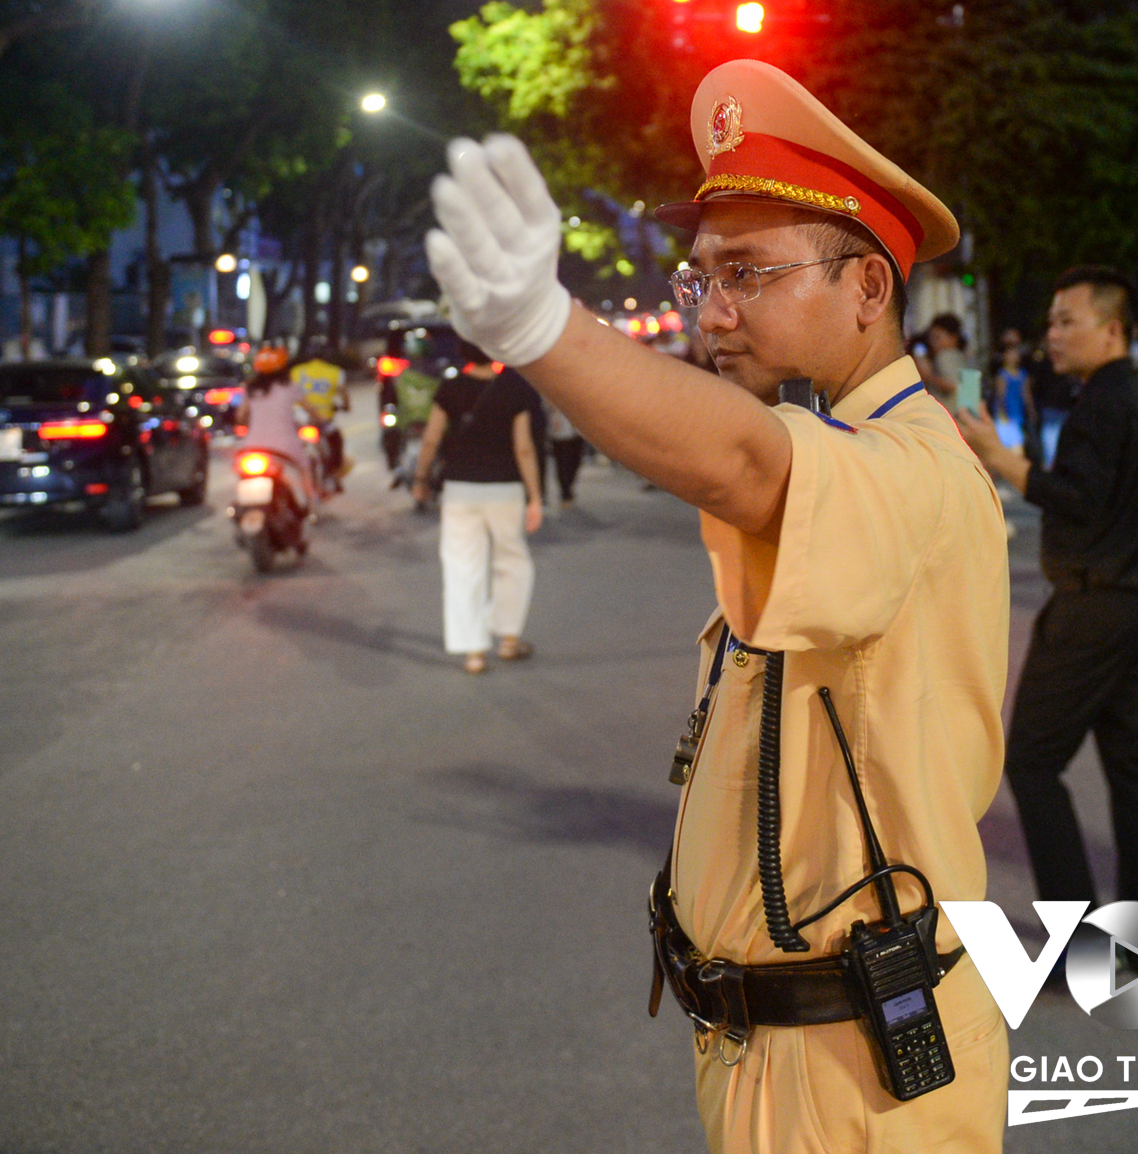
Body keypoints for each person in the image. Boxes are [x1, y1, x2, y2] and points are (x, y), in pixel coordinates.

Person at [424, 60, 1009, 1148]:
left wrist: (540, 325)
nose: (713, 310)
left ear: (867, 289)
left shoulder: (914, 465)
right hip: (783, 1051)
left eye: (748, 271)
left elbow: (746, 466)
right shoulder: (854, 445)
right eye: (701, 278)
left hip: (852, 1080)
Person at [956, 267, 1138, 916]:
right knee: (1130, 767)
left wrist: (999, 456)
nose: (1051, 334)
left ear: (1111, 331)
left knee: (1030, 762)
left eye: (1065, 321)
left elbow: (1076, 499)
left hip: (1094, 612)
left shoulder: (1105, 403)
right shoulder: (1136, 401)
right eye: (1050, 321)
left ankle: (1076, 939)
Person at [411, 344, 541, 674]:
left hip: (460, 489)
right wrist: (536, 496)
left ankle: (474, 652)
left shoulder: (451, 388)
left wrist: (421, 477)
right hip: (505, 488)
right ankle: (509, 638)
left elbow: (430, 439)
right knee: (512, 560)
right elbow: (523, 447)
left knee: (462, 567)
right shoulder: (515, 389)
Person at [234, 343, 314, 506]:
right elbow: (311, 410)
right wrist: (320, 420)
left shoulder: (251, 388)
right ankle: (312, 502)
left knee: (243, 473)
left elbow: (240, 416)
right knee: (304, 467)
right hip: (286, 446)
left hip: (253, 446)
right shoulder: (290, 387)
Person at [291, 342, 351, 484]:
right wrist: (346, 406)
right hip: (323, 420)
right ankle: (335, 473)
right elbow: (344, 394)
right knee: (336, 440)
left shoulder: (296, 371)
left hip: (299, 419)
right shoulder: (335, 372)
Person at [990, 328, 1033, 454]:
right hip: (1007, 414)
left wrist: (1030, 410)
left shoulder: (1022, 374)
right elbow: (1000, 395)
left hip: (1018, 411)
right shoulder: (1002, 375)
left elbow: (1026, 393)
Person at [916, 312, 968, 412]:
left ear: (953, 337)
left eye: (937, 337)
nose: (932, 342)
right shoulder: (960, 356)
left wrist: (929, 376)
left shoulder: (945, 356)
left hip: (950, 413)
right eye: (931, 338)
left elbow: (952, 385)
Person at [545, 396, 585, 507]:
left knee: (576, 459)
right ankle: (565, 491)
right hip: (561, 424)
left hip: (578, 426)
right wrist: (555, 414)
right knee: (562, 460)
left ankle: (569, 486)